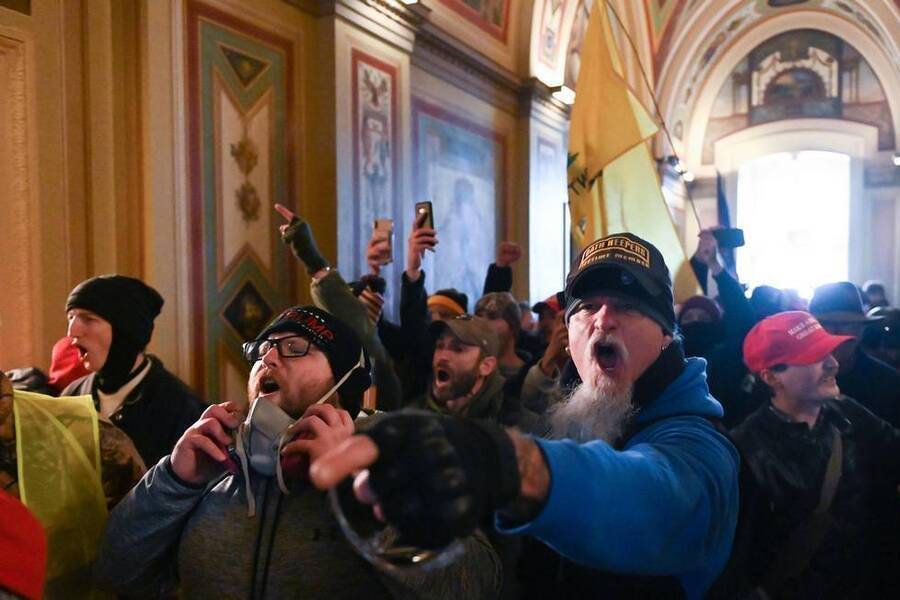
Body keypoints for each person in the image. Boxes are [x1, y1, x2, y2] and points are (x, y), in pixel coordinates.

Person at [311, 232, 740, 599]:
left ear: (667, 333)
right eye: (586, 307)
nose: (604, 319)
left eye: (628, 305)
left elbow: (650, 494)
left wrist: (510, 464)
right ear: (568, 336)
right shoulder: (570, 418)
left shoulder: (700, 445)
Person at [94, 306, 500, 598]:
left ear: (344, 381)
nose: (267, 357)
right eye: (262, 349)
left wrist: (357, 487)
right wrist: (173, 481)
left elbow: (472, 584)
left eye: (294, 347)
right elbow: (116, 573)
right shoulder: (214, 457)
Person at [732, 311, 900, 598]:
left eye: (830, 352)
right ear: (772, 376)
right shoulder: (746, 449)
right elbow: (743, 557)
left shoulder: (846, 413)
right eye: (815, 356)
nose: (833, 363)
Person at [61, 275, 205, 465]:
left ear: (126, 331)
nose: (72, 332)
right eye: (71, 317)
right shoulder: (71, 396)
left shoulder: (182, 409)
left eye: (88, 319)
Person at [809, 281, 900, 427]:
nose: (835, 333)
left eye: (845, 324)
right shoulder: (790, 379)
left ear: (861, 331)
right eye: (825, 324)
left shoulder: (889, 384)